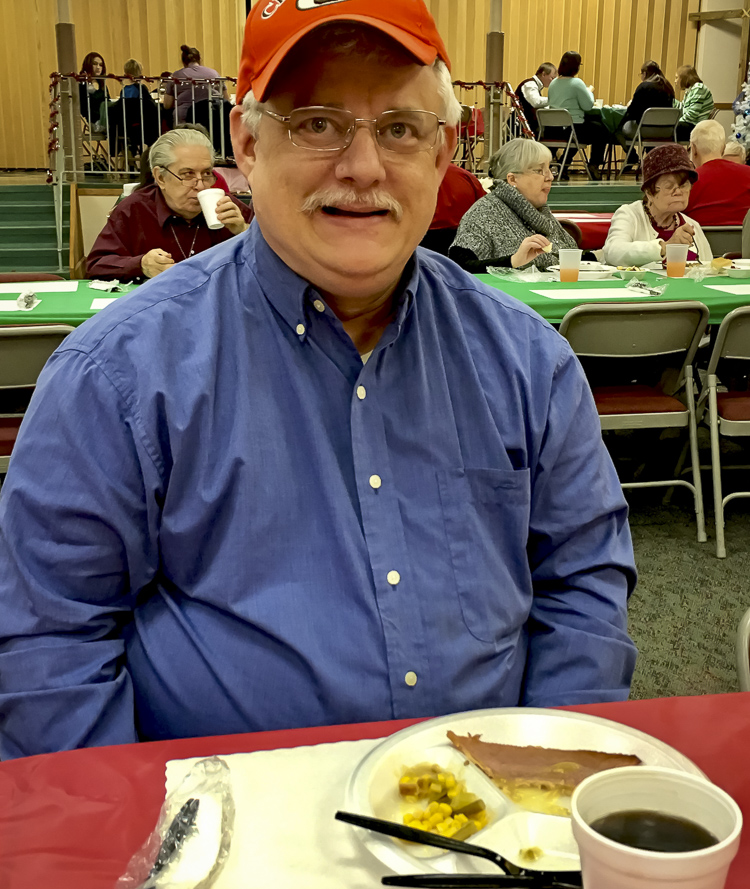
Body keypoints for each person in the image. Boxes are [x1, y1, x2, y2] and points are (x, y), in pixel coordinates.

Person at [0, 0, 636, 758]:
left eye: (400, 129)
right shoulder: (116, 376)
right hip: (227, 821)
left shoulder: (529, 362)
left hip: (491, 813)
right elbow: (50, 642)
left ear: (442, 152)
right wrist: (131, 824)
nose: (363, 167)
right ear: (248, 145)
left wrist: (549, 782)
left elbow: (582, 586)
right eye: (317, 123)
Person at [86, 129, 252, 278]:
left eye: (206, 173)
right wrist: (141, 265)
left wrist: (244, 231)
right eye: (188, 174)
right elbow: (96, 265)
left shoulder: (228, 207)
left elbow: (266, 261)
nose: (201, 186)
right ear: (160, 177)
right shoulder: (134, 209)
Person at [449, 138, 584, 271]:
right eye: (539, 170)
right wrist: (513, 261)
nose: (550, 177)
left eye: (550, 169)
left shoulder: (540, 213)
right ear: (512, 179)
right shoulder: (483, 214)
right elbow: (459, 268)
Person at [603, 143, 711, 266]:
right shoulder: (630, 215)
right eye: (669, 186)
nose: (678, 192)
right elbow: (613, 252)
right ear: (649, 192)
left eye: (683, 185)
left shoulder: (692, 226)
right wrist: (665, 247)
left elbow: (709, 268)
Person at [547, 50, 607, 179]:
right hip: (572, 129)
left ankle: (563, 164)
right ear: (577, 66)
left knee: (576, 135)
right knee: (601, 130)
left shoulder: (553, 83)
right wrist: (589, 91)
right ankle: (594, 164)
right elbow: (588, 106)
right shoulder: (577, 83)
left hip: (553, 129)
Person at [686, 120, 750, 226]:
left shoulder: (687, 181)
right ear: (723, 148)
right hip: (745, 236)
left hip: (700, 236)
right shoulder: (748, 173)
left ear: (694, 149)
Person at [614, 60, 676, 165]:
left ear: (645, 73)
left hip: (645, 130)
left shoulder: (644, 87)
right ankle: (654, 162)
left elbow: (633, 112)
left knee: (618, 130)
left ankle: (632, 157)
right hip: (667, 131)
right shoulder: (668, 87)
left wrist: (628, 108)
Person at [419, 162, 485, 255]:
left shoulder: (410, 176)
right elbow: (484, 209)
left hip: (422, 239)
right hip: (460, 241)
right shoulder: (466, 176)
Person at [162, 44, 230, 125]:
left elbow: (167, 105)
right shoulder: (214, 73)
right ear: (199, 59)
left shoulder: (175, 76)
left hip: (185, 118)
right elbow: (226, 99)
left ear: (183, 61)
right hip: (214, 115)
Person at [515, 62, 557, 137]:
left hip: (526, 126)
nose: (553, 81)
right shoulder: (530, 84)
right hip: (520, 127)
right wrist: (555, 99)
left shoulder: (534, 85)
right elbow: (536, 102)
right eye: (552, 78)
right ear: (543, 74)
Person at [674, 66, 714, 141]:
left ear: (684, 78)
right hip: (691, 124)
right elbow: (683, 109)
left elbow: (692, 115)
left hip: (696, 127)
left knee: (668, 128)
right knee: (667, 126)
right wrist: (671, 100)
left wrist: (675, 122)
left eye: (677, 78)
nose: (675, 81)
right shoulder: (691, 90)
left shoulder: (699, 88)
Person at [78, 51, 109, 131]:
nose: (98, 67)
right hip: (95, 122)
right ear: (88, 65)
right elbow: (83, 108)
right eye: (95, 64)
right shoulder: (82, 84)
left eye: (101, 65)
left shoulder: (102, 85)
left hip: (107, 119)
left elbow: (108, 102)